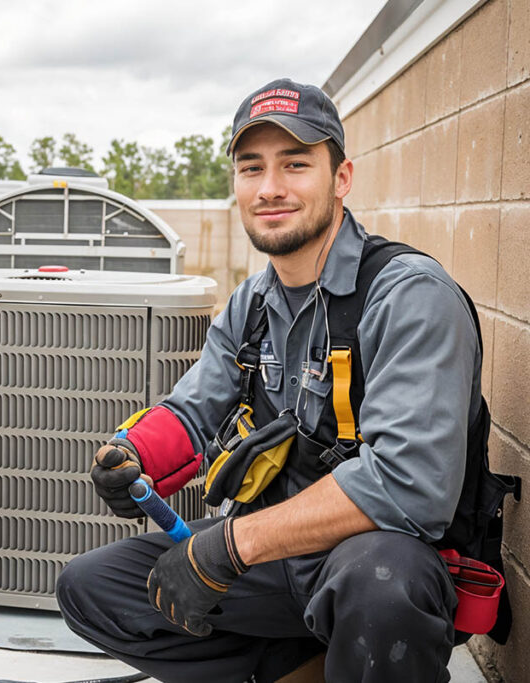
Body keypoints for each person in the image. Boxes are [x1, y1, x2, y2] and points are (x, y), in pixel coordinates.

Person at [56, 79, 482, 682]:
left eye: (296, 164)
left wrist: (230, 546)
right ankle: (295, 670)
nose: (270, 188)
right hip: (278, 553)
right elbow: (195, 407)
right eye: (250, 167)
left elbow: (410, 486)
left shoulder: (409, 295)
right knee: (91, 587)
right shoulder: (253, 301)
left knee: (383, 585)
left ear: (341, 178)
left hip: (377, 555)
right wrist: (132, 454)